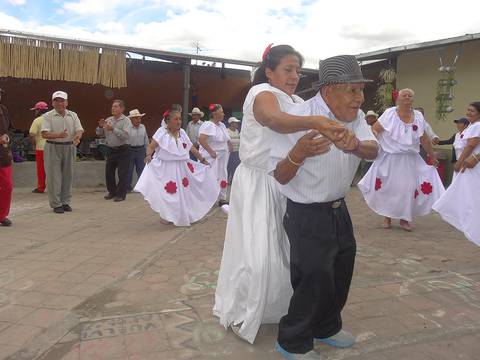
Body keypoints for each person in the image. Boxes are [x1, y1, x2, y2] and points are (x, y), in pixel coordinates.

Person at [213, 44, 348, 345]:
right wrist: (313, 121)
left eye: (298, 71)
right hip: (260, 182)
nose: (294, 76)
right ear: (269, 71)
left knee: (292, 253)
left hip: (291, 179)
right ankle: (249, 307)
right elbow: (273, 120)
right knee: (258, 253)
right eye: (288, 69)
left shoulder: (299, 100)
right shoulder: (261, 93)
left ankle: (294, 311)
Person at [270, 55, 379, 359]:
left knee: (341, 268)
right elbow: (279, 174)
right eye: (353, 90)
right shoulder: (297, 116)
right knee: (313, 276)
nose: (360, 99)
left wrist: (356, 145)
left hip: (338, 208)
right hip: (306, 212)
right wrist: (299, 151)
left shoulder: (355, 116)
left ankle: (327, 327)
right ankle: (292, 340)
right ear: (329, 90)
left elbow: (374, 150)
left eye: (361, 91)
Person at [358, 89, 445, 231]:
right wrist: (370, 145)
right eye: (404, 95)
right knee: (389, 187)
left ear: (413, 99)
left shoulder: (418, 116)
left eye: (410, 96)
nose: (407, 97)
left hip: (410, 160)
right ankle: (387, 217)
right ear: (398, 99)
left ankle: (405, 219)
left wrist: (432, 155)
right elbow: (375, 129)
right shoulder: (390, 113)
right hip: (390, 159)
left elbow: (423, 138)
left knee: (408, 188)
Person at [134, 109, 219, 226]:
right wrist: (148, 155)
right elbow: (151, 146)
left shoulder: (182, 133)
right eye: (176, 119)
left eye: (180, 119)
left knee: (183, 192)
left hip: (182, 167)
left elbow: (192, 148)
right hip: (166, 168)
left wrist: (202, 160)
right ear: (168, 121)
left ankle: (181, 214)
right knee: (169, 193)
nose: (179, 122)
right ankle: (167, 215)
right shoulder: (161, 132)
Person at [433, 101, 480, 246]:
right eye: (467, 110)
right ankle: (466, 217)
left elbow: (471, 146)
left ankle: (470, 220)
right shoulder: (471, 127)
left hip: (470, 166)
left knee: (469, 193)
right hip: (467, 165)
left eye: (472, 111)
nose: (468, 113)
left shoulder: (477, 126)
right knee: (464, 193)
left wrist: (460, 162)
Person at [41, 91, 83, 213]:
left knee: (68, 175)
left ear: (67, 102)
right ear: (52, 103)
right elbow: (44, 134)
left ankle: (65, 202)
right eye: (57, 100)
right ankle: (56, 203)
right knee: (54, 176)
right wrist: (58, 135)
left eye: (62, 100)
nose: (60, 103)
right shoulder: (47, 116)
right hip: (53, 147)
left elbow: (79, 129)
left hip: (69, 147)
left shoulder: (73, 115)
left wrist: (77, 136)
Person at [97, 100, 131, 202]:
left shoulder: (126, 121)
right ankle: (112, 192)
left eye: (116, 106)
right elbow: (99, 133)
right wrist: (100, 126)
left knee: (122, 173)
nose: (113, 108)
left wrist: (113, 129)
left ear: (122, 109)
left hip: (123, 149)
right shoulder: (108, 120)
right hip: (111, 149)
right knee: (109, 172)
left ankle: (121, 194)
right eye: (112, 106)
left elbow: (126, 135)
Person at [198, 104, 232, 206]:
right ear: (214, 114)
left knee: (222, 175)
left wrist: (229, 144)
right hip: (212, 157)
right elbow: (202, 139)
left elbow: (226, 138)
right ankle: (208, 199)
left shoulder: (221, 125)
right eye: (221, 112)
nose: (223, 113)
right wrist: (210, 151)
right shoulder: (208, 125)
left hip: (222, 155)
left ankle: (222, 198)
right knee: (211, 176)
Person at [0, 88, 14, 226]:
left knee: (7, 186)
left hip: (3, 156)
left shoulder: (3, 109)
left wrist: (7, 138)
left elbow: (9, 129)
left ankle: (2, 215)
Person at [29, 101, 49, 193]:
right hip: (52, 148)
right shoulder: (51, 119)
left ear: (39, 110)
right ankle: (55, 188)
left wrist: (34, 145)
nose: (35, 112)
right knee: (53, 169)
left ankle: (41, 187)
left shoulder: (37, 121)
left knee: (41, 169)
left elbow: (32, 134)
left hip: (41, 148)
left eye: (35, 110)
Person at [126, 109, 149, 191]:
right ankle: (127, 187)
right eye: (136, 118)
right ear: (131, 119)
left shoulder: (143, 127)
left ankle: (142, 187)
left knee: (141, 169)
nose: (138, 120)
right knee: (129, 170)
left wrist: (147, 152)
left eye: (139, 118)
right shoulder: (127, 128)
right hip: (130, 149)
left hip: (141, 149)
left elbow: (146, 140)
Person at [226, 116, 241, 183]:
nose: (237, 124)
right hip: (229, 152)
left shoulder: (237, 131)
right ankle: (227, 180)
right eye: (235, 123)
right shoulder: (227, 131)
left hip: (237, 151)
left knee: (236, 166)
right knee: (229, 166)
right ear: (231, 123)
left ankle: (233, 180)